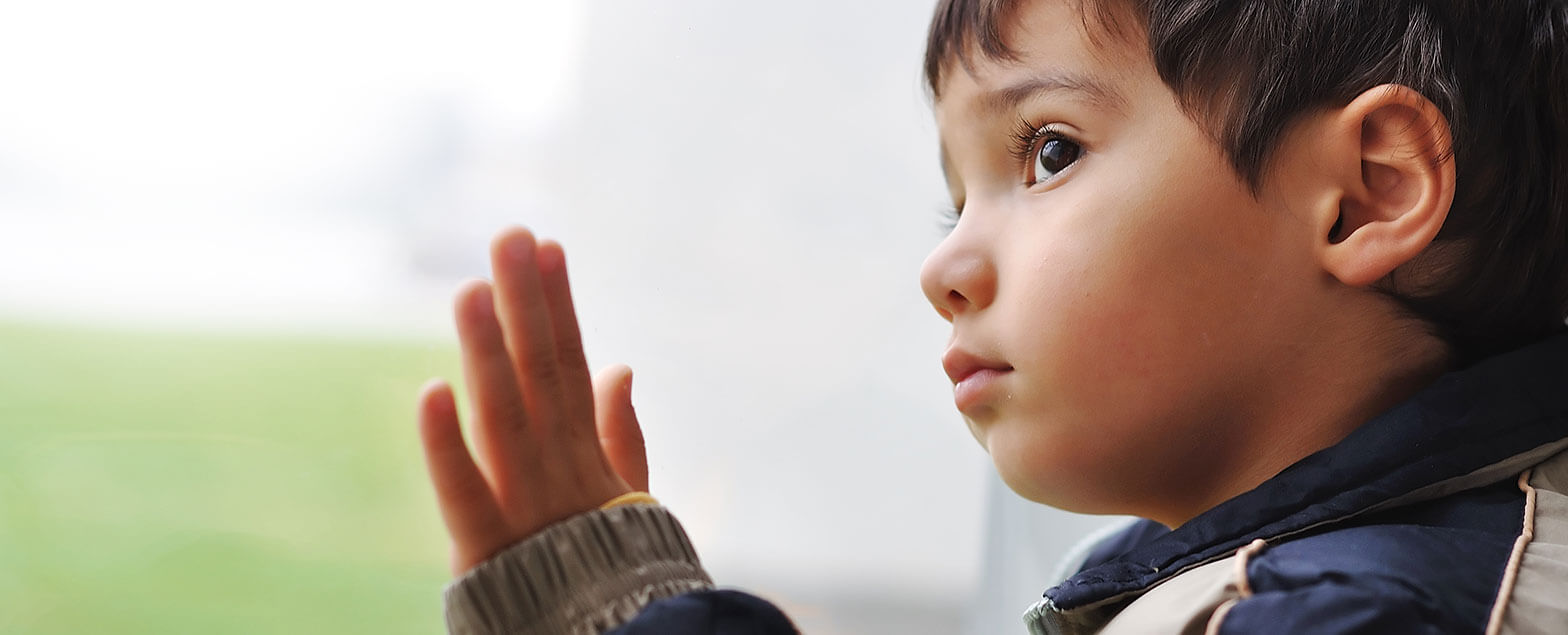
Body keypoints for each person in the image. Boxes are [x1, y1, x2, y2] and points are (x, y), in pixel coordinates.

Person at [413, 0, 1568, 633]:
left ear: (1368, 189)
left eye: (1047, 152)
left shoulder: (1338, 616)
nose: (945, 263)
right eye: (952, 197)